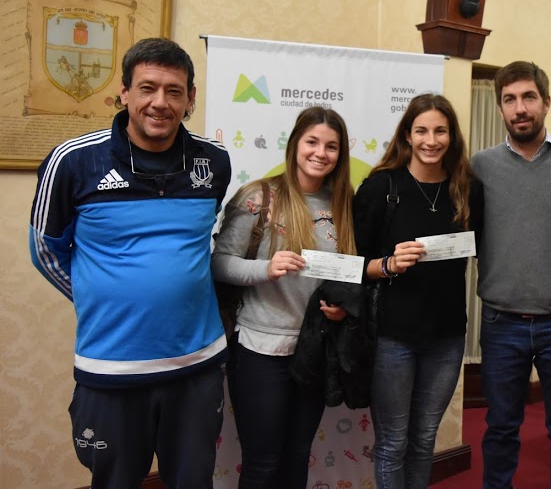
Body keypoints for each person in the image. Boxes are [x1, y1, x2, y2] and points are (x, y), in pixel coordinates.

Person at [29, 38, 232, 488]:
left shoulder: (214, 162)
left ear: (190, 98)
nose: (160, 102)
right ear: (124, 92)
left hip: (197, 366)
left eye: (174, 91)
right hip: (113, 369)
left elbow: (194, 248)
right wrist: (100, 298)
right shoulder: (74, 161)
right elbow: (45, 249)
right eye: (147, 88)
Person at [470, 61, 551, 489]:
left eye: (528, 97)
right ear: (500, 108)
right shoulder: (480, 166)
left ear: (546, 102)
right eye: (509, 100)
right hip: (501, 323)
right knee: (500, 428)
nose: (520, 108)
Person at [211, 106, 356, 488]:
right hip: (260, 349)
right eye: (312, 142)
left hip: (314, 350)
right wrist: (266, 268)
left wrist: (343, 307)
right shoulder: (258, 197)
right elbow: (219, 263)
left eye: (331, 146)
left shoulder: (343, 205)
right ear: (295, 144)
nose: (320, 153)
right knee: (262, 463)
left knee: (297, 457)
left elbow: (347, 275)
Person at [353, 93, 471, 488]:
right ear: (407, 134)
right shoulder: (380, 187)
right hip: (393, 338)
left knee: (424, 441)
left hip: (448, 336)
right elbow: (351, 265)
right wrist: (387, 264)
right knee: (393, 443)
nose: (431, 141)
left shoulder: (466, 189)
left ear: (452, 136)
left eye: (440, 131)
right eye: (421, 131)